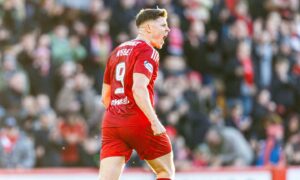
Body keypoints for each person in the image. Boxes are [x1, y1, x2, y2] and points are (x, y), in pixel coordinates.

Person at [99, 8, 175, 180]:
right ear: (148, 28)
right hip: (138, 119)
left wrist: (119, 115)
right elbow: (138, 89)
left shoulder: (117, 51)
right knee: (165, 172)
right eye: (163, 25)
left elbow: (105, 96)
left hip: (112, 122)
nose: (168, 29)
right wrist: (154, 121)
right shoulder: (148, 51)